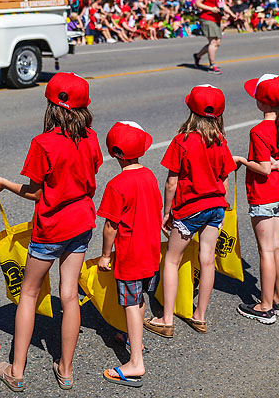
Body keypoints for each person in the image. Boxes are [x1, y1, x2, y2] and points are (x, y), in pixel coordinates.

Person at [0, 73, 102, 392]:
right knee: (69, 295)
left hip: (51, 228)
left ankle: (16, 370)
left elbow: (36, 192)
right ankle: (65, 369)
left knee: (29, 294)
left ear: (51, 106)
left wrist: (5, 183)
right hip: (81, 223)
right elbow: (90, 173)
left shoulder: (43, 143)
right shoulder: (91, 138)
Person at [145, 85, 236, 338]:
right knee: (207, 261)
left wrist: (167, 211)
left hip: (190, 209)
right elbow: (225, 179)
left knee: (172, 260)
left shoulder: (182, 141)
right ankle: (200, 316)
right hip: (215, 207)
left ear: (191, 111)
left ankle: (166, 319)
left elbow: (171, 182)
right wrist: (219, 200)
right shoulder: (220, 141)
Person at [97, 121, 162, 388]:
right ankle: (134, 338)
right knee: (141, 299)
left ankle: (135, 362)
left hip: (131, 256)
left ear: (114, 153)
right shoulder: (150, 176)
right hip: (150, 251)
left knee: (131, 304)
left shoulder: (117, 185)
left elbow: (110, 226)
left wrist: (104, 255)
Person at [235, 75, 279, 324]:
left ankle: (264, 307)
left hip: (264, 195)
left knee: (265, 250)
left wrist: (242, 160)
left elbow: (262, 169)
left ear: (261, 103)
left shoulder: (259, 131)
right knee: (278, 246)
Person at [193, 0, 237, 75]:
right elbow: (197, 3)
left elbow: (223, 5)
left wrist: (231, 13)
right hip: (207, 18)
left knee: (217, 43)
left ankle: (198, 56)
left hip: (217, 19)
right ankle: (212, 65)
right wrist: (211, 8)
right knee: (213, 42)